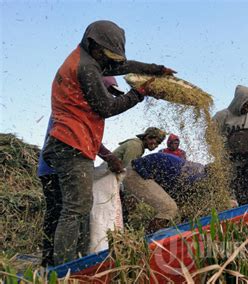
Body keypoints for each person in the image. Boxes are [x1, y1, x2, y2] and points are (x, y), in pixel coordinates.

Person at [41, 20, 176, 265]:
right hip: (69, 144)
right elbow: (106, 107)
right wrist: (138, 94)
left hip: (75, 142)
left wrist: (156, 69)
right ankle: (63, 269)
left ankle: (74, 260)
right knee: (76, 208)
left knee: (79, 208)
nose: (109, 62)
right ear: (92, 44)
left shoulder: (92, 58)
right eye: (107, 55)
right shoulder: (85, 67)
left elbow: (123, 65)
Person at [38, 76, 126, 267]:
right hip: (56, 168)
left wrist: (108, 156)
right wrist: (109, 157)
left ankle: (67, 260)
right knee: (63, 212)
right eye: (106, 92)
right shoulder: (73, 103)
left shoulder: (89, 108)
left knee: (70, 212)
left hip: (64, 167)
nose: (107, 97)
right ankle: (55, 266)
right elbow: (80, 136)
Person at [123, 152, 207, 232]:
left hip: (144, 172)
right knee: (169, 208)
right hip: (136, 173)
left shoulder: (198, 169)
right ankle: (148, 240)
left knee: (174, 209)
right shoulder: (196, 178)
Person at [212, 85, 248, 206]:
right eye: (247, 106)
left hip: (245, 159)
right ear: (239, 101)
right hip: (226, 161)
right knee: (227, 192)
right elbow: (210, 137)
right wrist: (224, 145)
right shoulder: (222, 116)